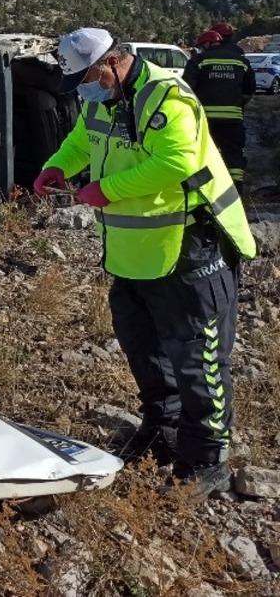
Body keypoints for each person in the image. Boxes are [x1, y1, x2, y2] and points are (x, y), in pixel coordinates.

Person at [33, 27, 256, 499]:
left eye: (89, 77)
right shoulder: (98, 98)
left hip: (190, 243)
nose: (84, 90)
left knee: (196, 354)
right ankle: (164, 430)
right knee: (144, 345)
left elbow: (175, 162)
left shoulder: (167, 97)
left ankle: (207, 456)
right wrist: (58, 166)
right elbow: (81, 142)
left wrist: (106, 190)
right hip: (135, 251)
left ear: (113, 63)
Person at [183, 27, 254, 191]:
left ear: (207, 44)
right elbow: (249, 89)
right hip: (233, 120)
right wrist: (238, 105)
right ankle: (236, 190)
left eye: (202, 46)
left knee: (204, 154)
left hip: (205, 120)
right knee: (234, 154)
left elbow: (187, 88)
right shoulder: (241, 61)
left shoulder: (199, 61)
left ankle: (204, 190)